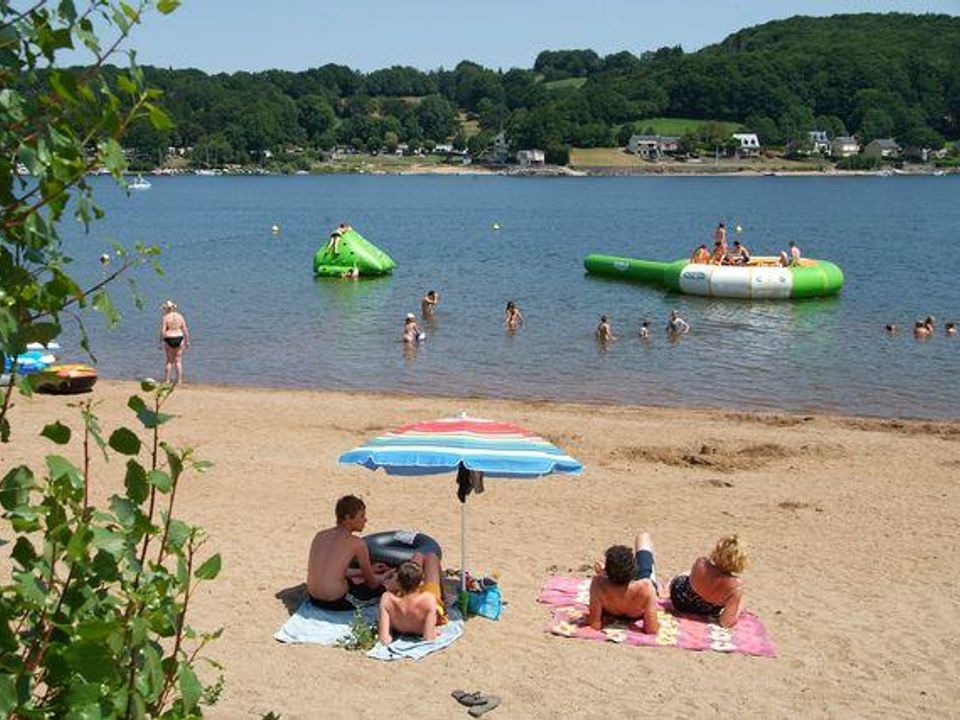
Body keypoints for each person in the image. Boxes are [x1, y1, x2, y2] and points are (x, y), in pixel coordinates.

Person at [306, 495, 395, 610]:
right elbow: (372, 583)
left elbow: (333, 568)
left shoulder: (320, 535)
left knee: (350, 580)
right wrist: (387, 575)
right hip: (336, 601)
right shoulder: (356, 543)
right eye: (362, 516)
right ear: (348, 518)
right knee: (385, 588)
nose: (365, 520)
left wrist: (363, 571)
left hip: (313, 598)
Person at [587, 532, 660, 634]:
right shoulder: (646, 587)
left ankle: (606, 569)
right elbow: (652, 629)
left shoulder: (598, 584)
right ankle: (614, 569)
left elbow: (594, 624)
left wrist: (603, 574)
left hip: (612, 605)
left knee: (611, 571)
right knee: (643, 537)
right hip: (637, 598)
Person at [669, 534, 748, 628]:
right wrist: (739, 608)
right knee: (738, 600)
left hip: (679, 600)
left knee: (687, 574)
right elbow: (725, 623)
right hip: (706, 611)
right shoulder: (735, 587)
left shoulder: (701, 563)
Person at [378, 551, 447, 645]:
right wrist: (434, 633)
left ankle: (410, 573)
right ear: (421, 583)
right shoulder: (428, 599)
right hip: (421, 604)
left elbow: (384, 639)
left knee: (417, 556)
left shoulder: (387, 599)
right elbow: (428, 637)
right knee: (432, 556)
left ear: (398, 583)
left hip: (400, 616)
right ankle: (445, 595)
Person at [159, 300, 189, 385]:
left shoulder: (165, 317)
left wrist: (160, 342)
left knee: (169, 361)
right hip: (179, 337)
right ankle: (179, 381)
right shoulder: (180, 316)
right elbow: (185, 330)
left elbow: (163, 331)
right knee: (178, 361)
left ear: (167, 309)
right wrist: (187, 341)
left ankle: (167, 380)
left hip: (169, 338)